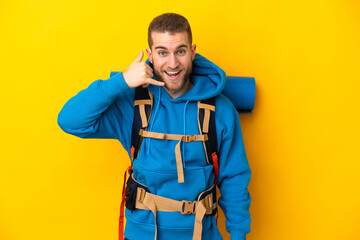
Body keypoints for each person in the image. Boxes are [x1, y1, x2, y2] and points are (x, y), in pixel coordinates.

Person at [58, 13, 251, 240]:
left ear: (192, 51)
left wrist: (238, 235)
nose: (172, 63)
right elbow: (70, 120)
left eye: (180, 51)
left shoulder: (221, 109)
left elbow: (234, 179)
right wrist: (121, 81)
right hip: (140, 234)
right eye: (162, 52)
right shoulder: (131, 105)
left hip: (201, 234)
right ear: (150, 55)